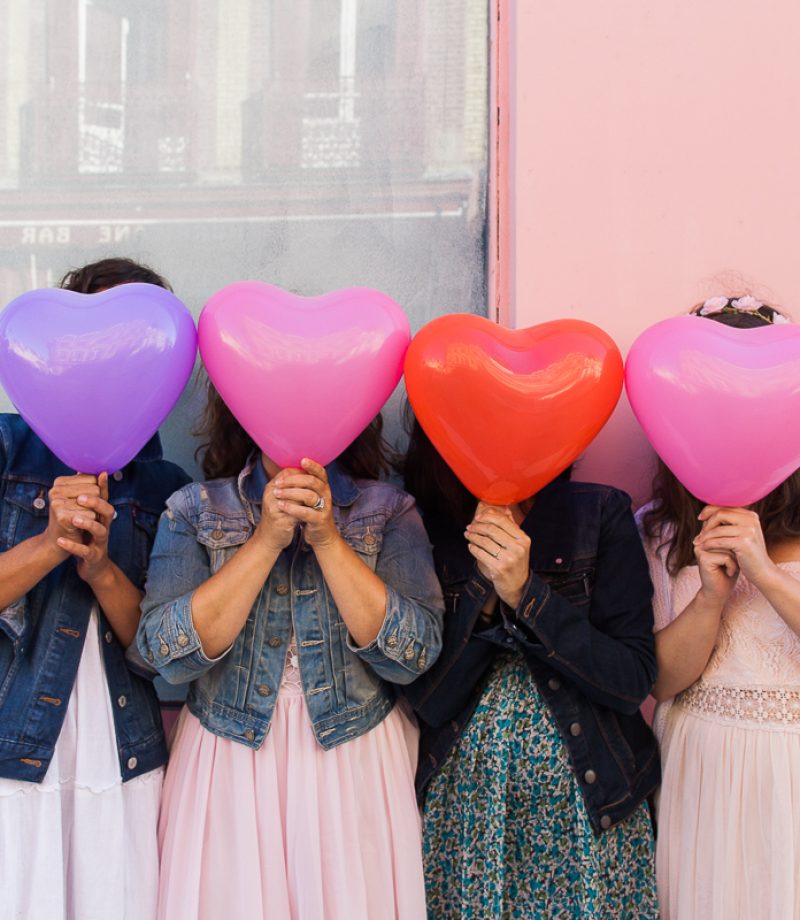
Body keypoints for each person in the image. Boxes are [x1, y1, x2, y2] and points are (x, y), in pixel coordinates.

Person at [137, 385, 444, 920]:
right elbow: (166, 655)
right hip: (226, 757)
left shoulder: (389, 510)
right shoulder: (194, 508)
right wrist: (264, 541)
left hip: (356, 754)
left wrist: (327, 539)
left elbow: (414, 654)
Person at [402, 419, 659, 919]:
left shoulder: (598, 513)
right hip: (471, 816)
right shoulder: (425, 525)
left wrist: (527, 594)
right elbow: (427, 700)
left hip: (590, 810)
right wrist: (485, 595)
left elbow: (632, 680)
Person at [0, 257, 191, 920]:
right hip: (13, 754)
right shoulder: (7, 453)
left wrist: (103, 570)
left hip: (123, 754)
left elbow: (164, 649)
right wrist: (49, 543)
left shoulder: (164, 487)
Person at [639, 295, 800, 920]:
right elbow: (658, 680)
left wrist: (762, 571)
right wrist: (710, 596)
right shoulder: (658, 531)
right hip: (699, 764)